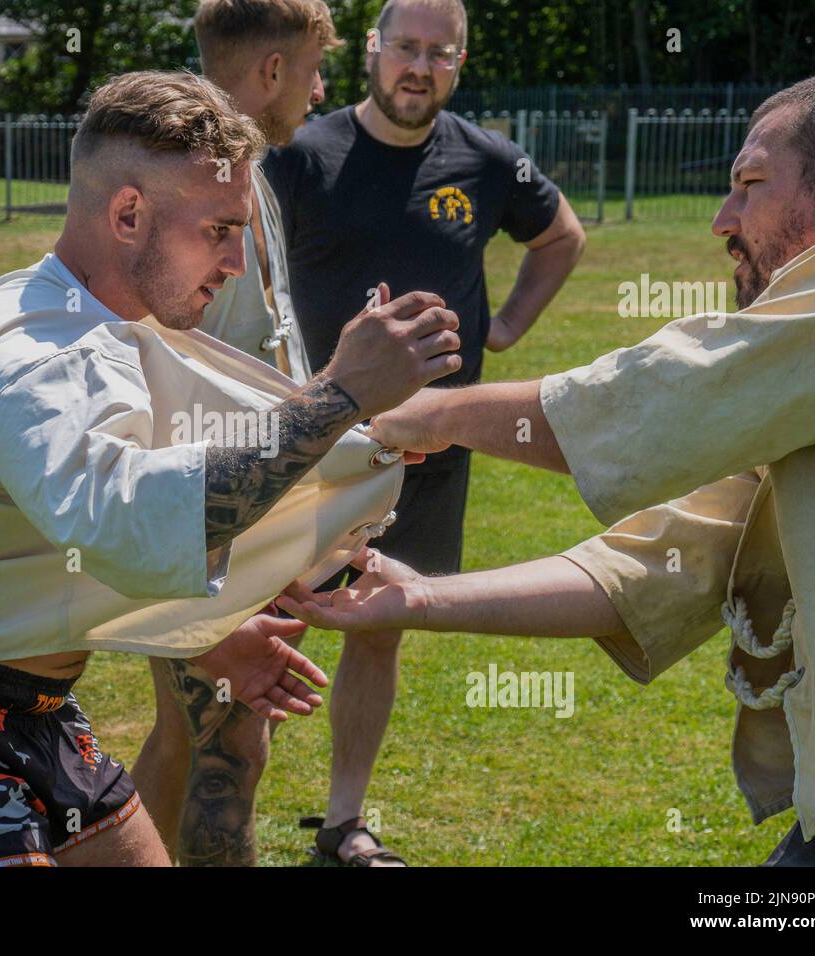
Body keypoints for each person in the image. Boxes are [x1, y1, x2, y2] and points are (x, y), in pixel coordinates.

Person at [0, 69, 463, 867]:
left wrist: (206, 635)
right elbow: (122, 521)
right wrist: (340, 394)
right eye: (219, 230)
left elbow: (64, 544)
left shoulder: (103, 328)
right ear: (127, 214)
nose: (233, 262)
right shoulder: (35, 359)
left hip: (34, 710)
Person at [280, 70, 815, 866]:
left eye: (751, 185)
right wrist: (415, 596)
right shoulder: (812, 383)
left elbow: (667, 404)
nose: (721, 220)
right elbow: (666, 559)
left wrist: (426, 410)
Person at [260, 0, 586, 864]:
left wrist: (505, 329)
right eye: (405, 47)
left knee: (377, 624)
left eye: (439, 53)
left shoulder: (486, 162)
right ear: (373, 49)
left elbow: (561, 237)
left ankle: (343, 825)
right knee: (252, 622)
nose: (419, 67)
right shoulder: (302, 154)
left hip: (426, 456)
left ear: (461, 61)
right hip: (302, 441)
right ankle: (221, 827)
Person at [131, 0, 345, 868]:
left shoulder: (241, 175)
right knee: (231, 748)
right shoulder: (202, 188)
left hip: (231, 503)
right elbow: (172, 365)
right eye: (312, 70)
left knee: (189, 741)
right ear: (269, 72)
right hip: (209, 504)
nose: (320, 91)